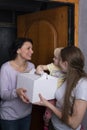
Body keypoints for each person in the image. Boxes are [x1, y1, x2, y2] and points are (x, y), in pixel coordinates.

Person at [36, 46, 87, 130]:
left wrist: (48, 105)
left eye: (59, 60)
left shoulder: (83, 85)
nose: (57, 62)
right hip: (54, 125)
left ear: (65, 64)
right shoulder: (67, 78)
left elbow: (74, 124)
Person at [0, 37, 35, 130]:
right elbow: (3, 94)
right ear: (18, 50)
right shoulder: (5, 68)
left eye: (32, 48)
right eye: (28, 48)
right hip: (9, 117)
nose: (32, 51)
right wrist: (16, 92)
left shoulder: (32, 67)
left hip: (26, 114)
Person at [36, 47, 66, 130]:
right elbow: (40, 67)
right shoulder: (52, 66)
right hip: (51, 95)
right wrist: (40, 71)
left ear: (62, 60)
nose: (53, 59)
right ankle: (46, 124)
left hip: (62, 97)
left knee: (61, 112)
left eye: (55, 58)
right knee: (48, 114)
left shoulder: (66, 69)